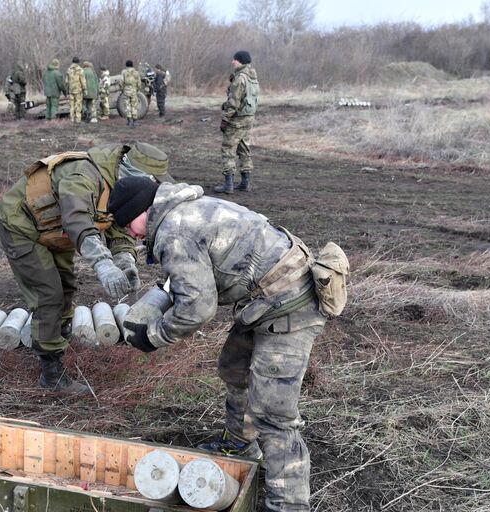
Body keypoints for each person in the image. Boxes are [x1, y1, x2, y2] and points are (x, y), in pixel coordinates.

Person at [107, 177, 327, 511]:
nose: (131, 233)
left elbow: (198, 307)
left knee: (273, 414)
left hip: (290, 306)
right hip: (266, 300)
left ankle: (289, 505)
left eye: (128, 223)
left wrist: (153, 336)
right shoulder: (182, 210)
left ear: (143, 210)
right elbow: (190, 277)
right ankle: (240, 446)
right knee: (234, 368)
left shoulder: (174, 230)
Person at [0, 144, 173, 394]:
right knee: (49, 294)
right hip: (23, 228)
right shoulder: (82, 175)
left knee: (66, 287)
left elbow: (117, 224)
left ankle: (56, 340)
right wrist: (103, 264)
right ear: (131, 172)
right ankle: (51, 375)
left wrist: (125, 260)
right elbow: (76, 220)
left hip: (56, 231)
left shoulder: (121, 184)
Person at [215, 50, 259, 194]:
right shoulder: (252, 77)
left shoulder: (240, 78)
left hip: (237, 119)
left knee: (228, 149)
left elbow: (234, 102)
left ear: (240, 61)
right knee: (244, 149)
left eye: (234, 59)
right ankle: (245, 183)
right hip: (248, 118)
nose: (232, 62)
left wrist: (225, 119)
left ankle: (228, 185)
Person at [65, 57, 87, 124]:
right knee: (78, 105)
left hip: (71, 90)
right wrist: (85, 89)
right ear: (78, 62)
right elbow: (83, 81)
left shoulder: (68, 70)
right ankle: (78, 119)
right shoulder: (80, 70)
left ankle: (72, 119)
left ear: (72, 62)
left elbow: (66, 81)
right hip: (78, 90)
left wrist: (67, 89)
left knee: (71, 105)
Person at [121, 60, 141, 127]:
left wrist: (122, 89)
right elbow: (139, 83)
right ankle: (135, 121)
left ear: (126, 65)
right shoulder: (136, 73)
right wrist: (137, 89)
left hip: (126, 90)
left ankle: (129, 121)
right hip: (133, 91)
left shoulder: (124, 72)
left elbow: (121, 82)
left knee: (127, 105)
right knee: (134, 106)